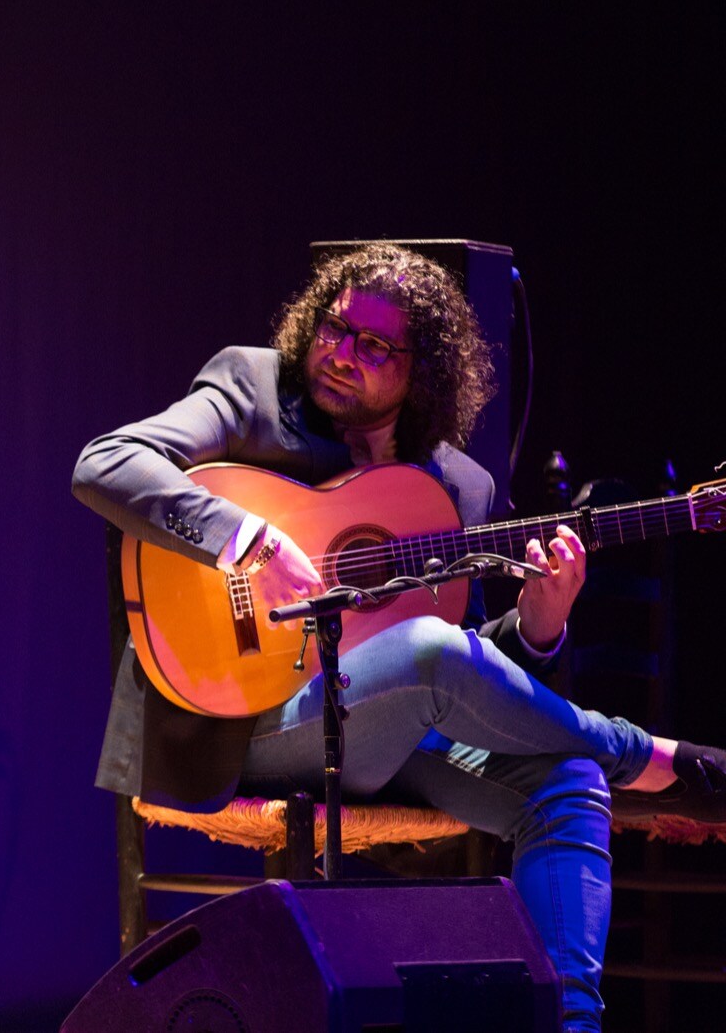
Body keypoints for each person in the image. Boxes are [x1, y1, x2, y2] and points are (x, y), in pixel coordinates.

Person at [71, 242, 726, 1031]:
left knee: (566, 781)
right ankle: (641, 752)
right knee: (430, 652)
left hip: (393, 739)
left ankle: (571, 1023)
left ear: (425, 371)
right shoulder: (253, 388)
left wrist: (541, 625)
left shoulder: (460, 486)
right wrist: (243, 537)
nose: (342, 355)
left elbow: (475, 664)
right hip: (247, 721)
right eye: (334, 330)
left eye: (374, 347)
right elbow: (106, 463)